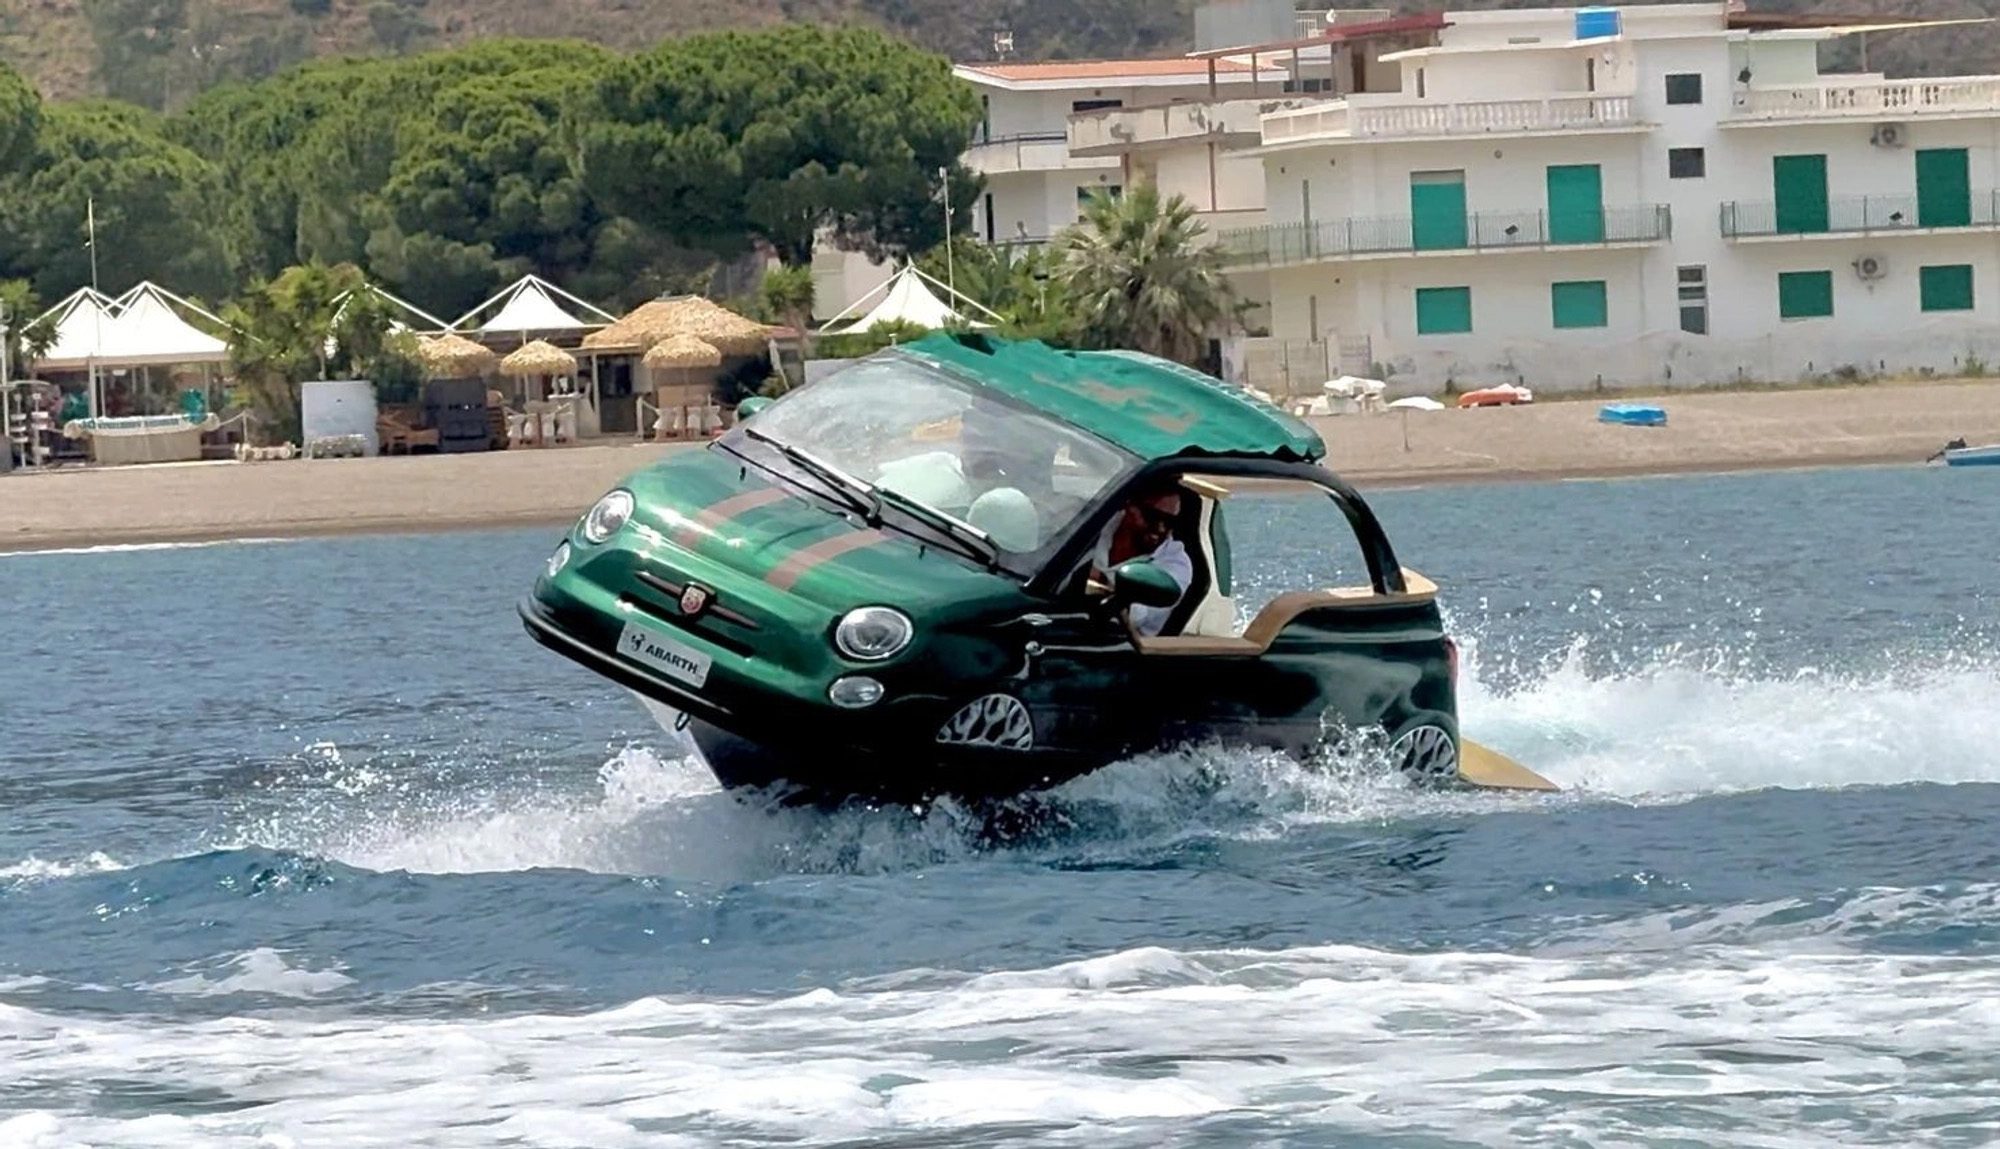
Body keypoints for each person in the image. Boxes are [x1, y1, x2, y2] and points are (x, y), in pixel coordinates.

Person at [1086, 477, 1194, 637]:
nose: (1161, 528)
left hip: (1117, 644)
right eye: (1153, 516)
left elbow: (1134, 615)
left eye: (1170, 521)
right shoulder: (1097, 523)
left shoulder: (1176, 565)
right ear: (1130, 505)